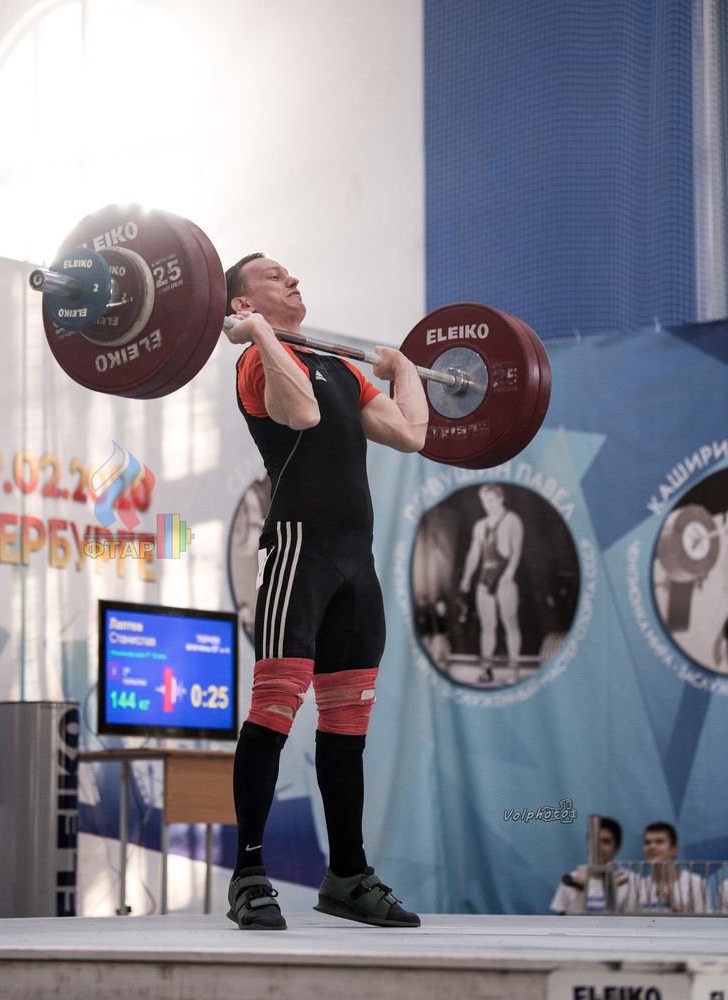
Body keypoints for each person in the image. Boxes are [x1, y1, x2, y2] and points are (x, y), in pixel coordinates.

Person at [221, 252, 428, 930]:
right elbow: (303, 415)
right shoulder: (255, 363)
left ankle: (347, 875)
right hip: (298, 555)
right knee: (275, 712)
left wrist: (402, 371)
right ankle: (249, 875)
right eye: (273, 277)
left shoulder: (340, 367)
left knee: (347, 728)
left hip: (354, 565)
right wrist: (261, 335)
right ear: (243, 303)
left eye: (291, 273)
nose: (293, 280)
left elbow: (409, 433)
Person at [458, 484, 524, 684]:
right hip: (485, 578)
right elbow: (474, 554)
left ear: (500, 498)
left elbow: (517, 550)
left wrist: (510, 573)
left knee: (510, 622)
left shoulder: (512, 520)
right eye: (484, 501)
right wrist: (466, 577)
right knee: (487, 626)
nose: (487, 505)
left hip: (504, 576)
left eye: (491, 500)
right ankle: (486, 670)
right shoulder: (480, 526)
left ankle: (514, 670)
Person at [550, 817, 630, 914]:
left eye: (605, 841)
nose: (598, 847)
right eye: (594, 840)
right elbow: (560, 917)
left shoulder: (629, 881)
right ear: (587, 843)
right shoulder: (570, 880)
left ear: (617, 848)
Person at [627, 822, 711, 914]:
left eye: (659, 842)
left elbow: (704, 921)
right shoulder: (638, 886)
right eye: (647, 843)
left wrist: (673, 903)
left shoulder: (695, 883)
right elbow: (630, 920)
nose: (652, 846)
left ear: (674, 850)